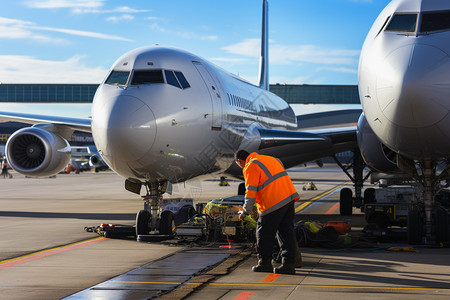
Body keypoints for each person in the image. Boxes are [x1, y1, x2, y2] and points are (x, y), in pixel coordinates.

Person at [235, 149, 299, 274]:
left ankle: (264, 263)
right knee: (286, 233)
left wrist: (245, 212)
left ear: (240, 161)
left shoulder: (250, 165)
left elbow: (251, 192)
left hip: (273, 202)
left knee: (264, 233)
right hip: (288, 199)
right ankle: (288, 264)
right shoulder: (271, 159)